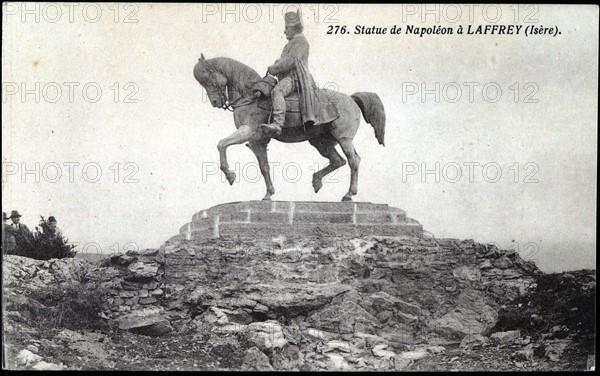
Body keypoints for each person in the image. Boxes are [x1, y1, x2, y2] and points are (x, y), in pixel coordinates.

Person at [261, 9, 316, 136]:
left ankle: (277, 124)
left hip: (296, 77)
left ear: (294, 28)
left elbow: (291, 61)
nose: (284, 31)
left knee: (277, 91)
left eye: (287, 28)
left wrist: (275, 67)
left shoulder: (300, 41)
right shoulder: (292, 42)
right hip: (288, 76)